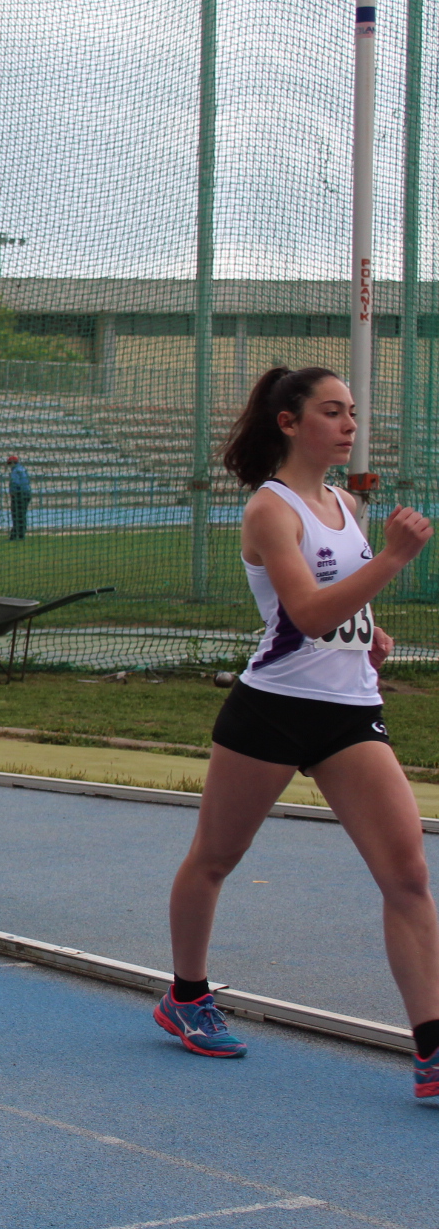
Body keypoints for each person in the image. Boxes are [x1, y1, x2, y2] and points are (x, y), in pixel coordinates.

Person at [156, 365, 439, 1099]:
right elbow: (307, 614)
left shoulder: (346, 503)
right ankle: (186, 995)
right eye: (333, 412)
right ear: (290, 423)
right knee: (215, 857)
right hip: (273, 708)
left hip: (349, 711)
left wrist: (369, 634)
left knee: (408, 875)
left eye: (353, 412)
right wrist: (394, 559)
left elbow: (339, 605)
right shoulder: (269, 509)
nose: (350, 425)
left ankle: (432, 1050)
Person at [6, 454, 31, 540]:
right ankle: (21, 534)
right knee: (22, 515)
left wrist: (12, 492)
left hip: (19, 494)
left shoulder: (15, 471)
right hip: (27, 493)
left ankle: (14, 535)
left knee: (16, 515)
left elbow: (15, 482)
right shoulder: (23, 469)